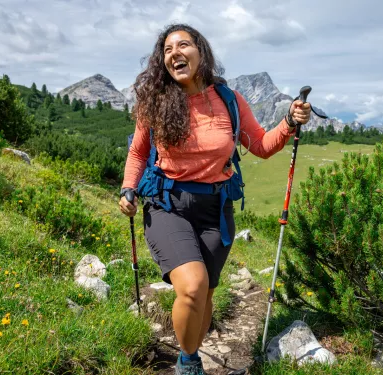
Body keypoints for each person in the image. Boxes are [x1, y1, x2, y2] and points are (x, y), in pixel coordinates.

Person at [119, 23, 311, 375]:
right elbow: (137, 152)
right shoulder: (155, 102)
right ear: (162, 62)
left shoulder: (229, 100)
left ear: (201, 52)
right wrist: (128, 188)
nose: (174, 53)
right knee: (192, 287)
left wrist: (288, 122)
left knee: (205, 294)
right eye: (167, 49)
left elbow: (261, 146)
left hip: (216, 210)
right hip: (167, 205)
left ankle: (189, 352)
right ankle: (188, 362)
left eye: (183, 45)